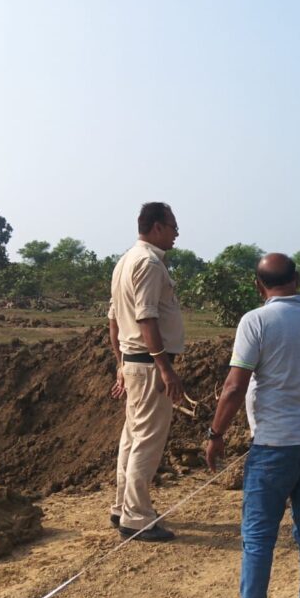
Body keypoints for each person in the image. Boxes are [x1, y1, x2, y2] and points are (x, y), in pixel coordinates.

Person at [206, 254, 300, 598]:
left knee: (258, 533)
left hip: (274, 444)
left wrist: (216, 433)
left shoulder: (256, 321)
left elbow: (235, 386)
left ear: (258, 285)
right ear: (297, 280)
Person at [107, 202, 186, 543]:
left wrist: (120, 363)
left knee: (132, 437)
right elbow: (146, 318)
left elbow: (114, 320)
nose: (176, 233)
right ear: (157, 227)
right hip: (149, 363)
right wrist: (165, 368)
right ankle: (136, 517)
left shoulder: (125, 261)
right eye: (173, 226)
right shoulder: (150, 264)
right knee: (147, 441)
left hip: (135, 361)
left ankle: (121, 507)